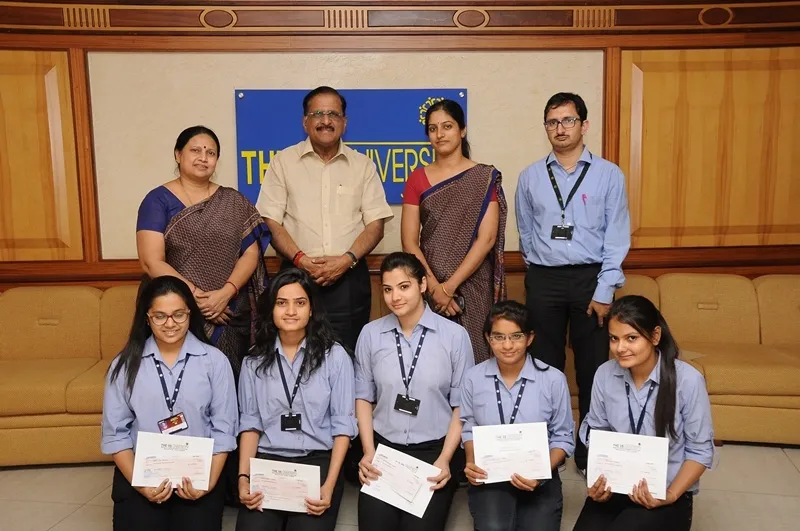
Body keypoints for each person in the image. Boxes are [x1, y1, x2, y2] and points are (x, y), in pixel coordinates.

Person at [515, 92, 631, 473]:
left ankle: (589, 451)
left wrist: (604, 289)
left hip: (590, 279)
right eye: (553, 122)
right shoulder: (530, 177)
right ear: (545, 128)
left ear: (584, 125)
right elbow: (526, 234)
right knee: (543, 367)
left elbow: (617, 237)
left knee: (593, 367)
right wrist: (541, 269)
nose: (560, 128)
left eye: (568, 120)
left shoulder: (609, 175)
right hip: (544, 280)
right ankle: (549, 447)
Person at [256, 86, 394, 353]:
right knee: (296, 355)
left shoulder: (363, 165)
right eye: (318, 114)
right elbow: (270, 221)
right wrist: (300, 260)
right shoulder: (283, 162)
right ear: (305, 122)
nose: (326, 121)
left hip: (348, 279)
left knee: (347, 355)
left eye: (333, 114)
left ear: (344, 122)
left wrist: (345, 260)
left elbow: (376, 224)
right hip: (296, 278)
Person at [101, 276, 238, 531]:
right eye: (160, 316)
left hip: (197, 474)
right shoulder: (124, 365)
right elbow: (115, 434)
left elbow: (224, 430)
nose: (170, 324)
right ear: (147, 318)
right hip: (142, 472)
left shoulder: (215, 362)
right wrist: (141, 484)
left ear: (190, 314)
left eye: (179, 315)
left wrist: (207, 483)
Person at [137, 125, 271, 376]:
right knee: (180, 382)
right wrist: (196, 298)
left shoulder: (233, 201)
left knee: (230, 382)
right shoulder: (157, 200)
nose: (203, 157)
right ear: (178, 154)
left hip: (229, 311)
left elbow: (251, 253)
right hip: (174, 311)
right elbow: (151, 261)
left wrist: (225, 294)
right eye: (195, 150)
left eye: (211, 153)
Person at [573, 295, 714, 531]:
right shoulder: (604, 374)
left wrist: (670, 495)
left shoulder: (688, 380)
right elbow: (597, 432)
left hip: (665, 492)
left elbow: (700, 451)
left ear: (655, 336)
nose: (620, 348)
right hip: (616, 487)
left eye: (631, 338)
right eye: (614, 338)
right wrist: (598, 481)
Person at [354, 252, 474, 531]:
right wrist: (368, 452)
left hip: (434, 452)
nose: (395, 297)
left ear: (422, 285)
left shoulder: (454, 336)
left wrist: (445, 459)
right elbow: (363, 397)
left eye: (404, 286)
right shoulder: (370, 334)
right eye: (387, 289)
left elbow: (462, 406)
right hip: (384, 450)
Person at [235, 268, 357, 531]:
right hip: (268, 462)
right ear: (271, 309)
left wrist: (329, 485)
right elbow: (250, 424)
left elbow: (343, 426)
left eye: (300, 303)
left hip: (317, 462)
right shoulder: (254, 360)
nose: (291, 311)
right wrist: (244, 477)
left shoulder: (334, 357)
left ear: (311, 309)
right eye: (282, 303)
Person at [401, 99, 507, 364]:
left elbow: (487, 239)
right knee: (432, 362)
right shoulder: (417, 178)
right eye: (433, 128)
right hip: (429, 283)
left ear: (462, 130)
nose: (440, 134)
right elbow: (409, 242)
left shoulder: (482, 177)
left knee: (476, 358)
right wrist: (435, 288)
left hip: (474, 283)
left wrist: (449, 288)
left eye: (447, 126)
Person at [461, 300, 574, 531]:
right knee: (494, 528)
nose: (507, 345)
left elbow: (563, 437)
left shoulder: (553, 379)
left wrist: (541, 473)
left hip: (539, 472)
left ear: (529, 338)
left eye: (516, 336)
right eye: (498, 337)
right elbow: (469, 426)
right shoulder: (473, 378)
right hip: (491, 473)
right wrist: (471, 461)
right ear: (488, 338)